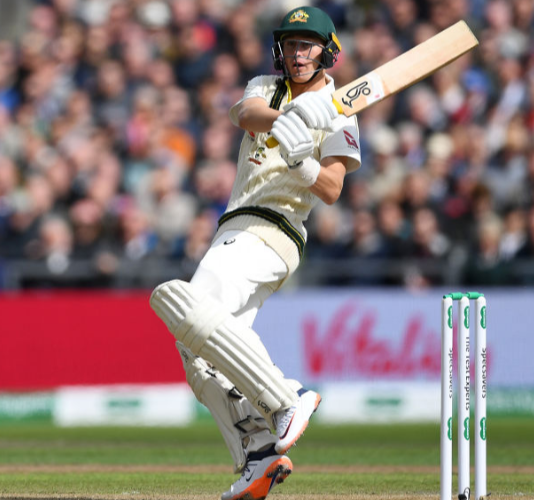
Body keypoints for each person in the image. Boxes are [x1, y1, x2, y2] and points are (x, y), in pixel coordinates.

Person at [149, 6, 361, 500]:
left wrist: (302, 158)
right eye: (290, 44)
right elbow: (243, 114)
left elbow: (331, 188)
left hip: (272, 229)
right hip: (237, 224)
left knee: (184, 302)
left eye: (307, 44)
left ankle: (288, 397)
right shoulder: (265, 86)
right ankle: (259, 456)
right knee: (198, 357)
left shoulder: (340, 110)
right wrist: (288, 118)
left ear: (327, 49)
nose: (297, 52)